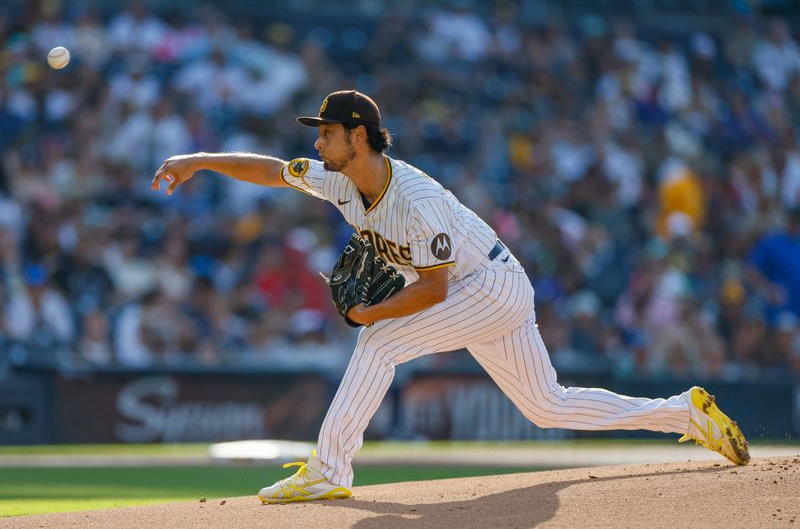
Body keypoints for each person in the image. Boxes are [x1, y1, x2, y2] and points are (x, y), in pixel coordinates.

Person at [151, 90, 750, 504]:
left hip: (486, 284)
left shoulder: (416, 200)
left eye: (328, 132)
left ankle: (328, 469)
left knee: (377, 340)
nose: (320, 142)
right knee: (548, 406)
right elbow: (274, 171)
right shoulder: (339, 178)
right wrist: (199, 161)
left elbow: (434, 289)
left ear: (358, 135)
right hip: (484, 285)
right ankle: (685, 412)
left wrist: (373, 312)